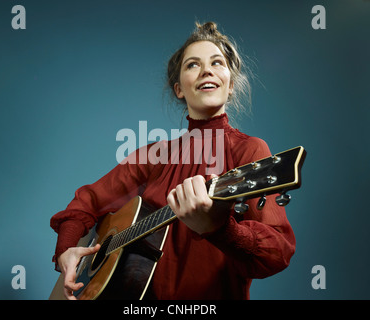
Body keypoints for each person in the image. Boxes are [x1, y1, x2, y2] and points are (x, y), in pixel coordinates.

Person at [50, 21, 296, 300]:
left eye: (217, 62)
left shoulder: (250, 151)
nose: (206, 70)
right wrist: (67, 251)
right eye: (193, 64)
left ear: (230, 85)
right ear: (179, 89)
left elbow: (278, 250)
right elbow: (86, 202)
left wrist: (219, 229)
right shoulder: (154, 156)